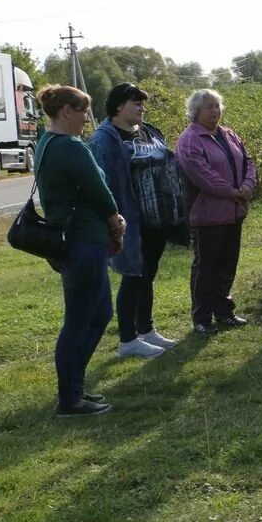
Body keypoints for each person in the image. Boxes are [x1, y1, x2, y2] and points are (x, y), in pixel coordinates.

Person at [36, 85, 126, 417]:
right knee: (78, 319)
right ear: (65, 112)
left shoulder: (45, 143)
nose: (87, 118)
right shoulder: (71, 147)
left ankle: (74, 387)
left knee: (99, 313)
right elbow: (99, 191)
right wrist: (115, 220)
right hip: (83, 240)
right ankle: (69, 398)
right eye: (83, 110)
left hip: (72, 240)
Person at [89, 83, 180, 358]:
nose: (142, 107)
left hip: (157, 218)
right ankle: (128, 340)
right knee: (132, 275)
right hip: (129, 220)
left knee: (147, 274)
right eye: (136, 102)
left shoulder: (149, 131)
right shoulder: (105, 138)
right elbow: (102, 183)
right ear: (118, 106)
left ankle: (146, 329)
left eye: (143, 103)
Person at [177, 89, 257, 335]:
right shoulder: (190, 140)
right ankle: (202, 318)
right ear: (195, 112)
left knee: (227, 265)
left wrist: (247, 185)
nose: (215, 111)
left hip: (234, 212)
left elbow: (248, 161)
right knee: (206, 268)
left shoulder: (229, 134)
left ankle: (224, 312)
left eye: (217, 106)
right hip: (207, 216)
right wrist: (235, 192)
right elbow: (203, 177)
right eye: (209, 107)